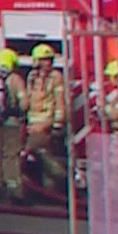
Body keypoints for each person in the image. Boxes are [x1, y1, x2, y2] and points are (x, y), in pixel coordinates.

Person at [0, 48, 28, 203]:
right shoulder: (16, 80)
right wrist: (20, 114)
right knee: (11, 156)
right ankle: (14, 190)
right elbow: (24, 104)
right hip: (11, 123)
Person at [24, 42, 69, 188]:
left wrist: (58, 123)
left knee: (40, 154)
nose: (48, 63)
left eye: (49, 60)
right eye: (44, 60)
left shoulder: (55, 77)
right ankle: (45, 187)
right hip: (32, 122)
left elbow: (60, 101)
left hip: (46, 123)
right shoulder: (32, 77)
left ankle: (59, 177)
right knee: (38, 158)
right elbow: (28, 98)